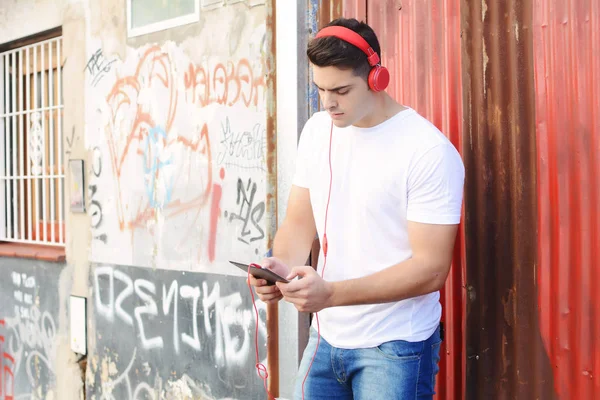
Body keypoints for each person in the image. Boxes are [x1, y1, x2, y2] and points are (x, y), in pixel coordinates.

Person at [248, 17, 465, 400]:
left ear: (377, 78)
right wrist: (278, 269)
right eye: (319, 89)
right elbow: (300, 224)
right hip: (326, 338)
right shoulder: (317, 131)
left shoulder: (427, 151)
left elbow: (430, 270)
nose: (328, 102)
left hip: (395, 347)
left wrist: (329, 294)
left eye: (341, 90)